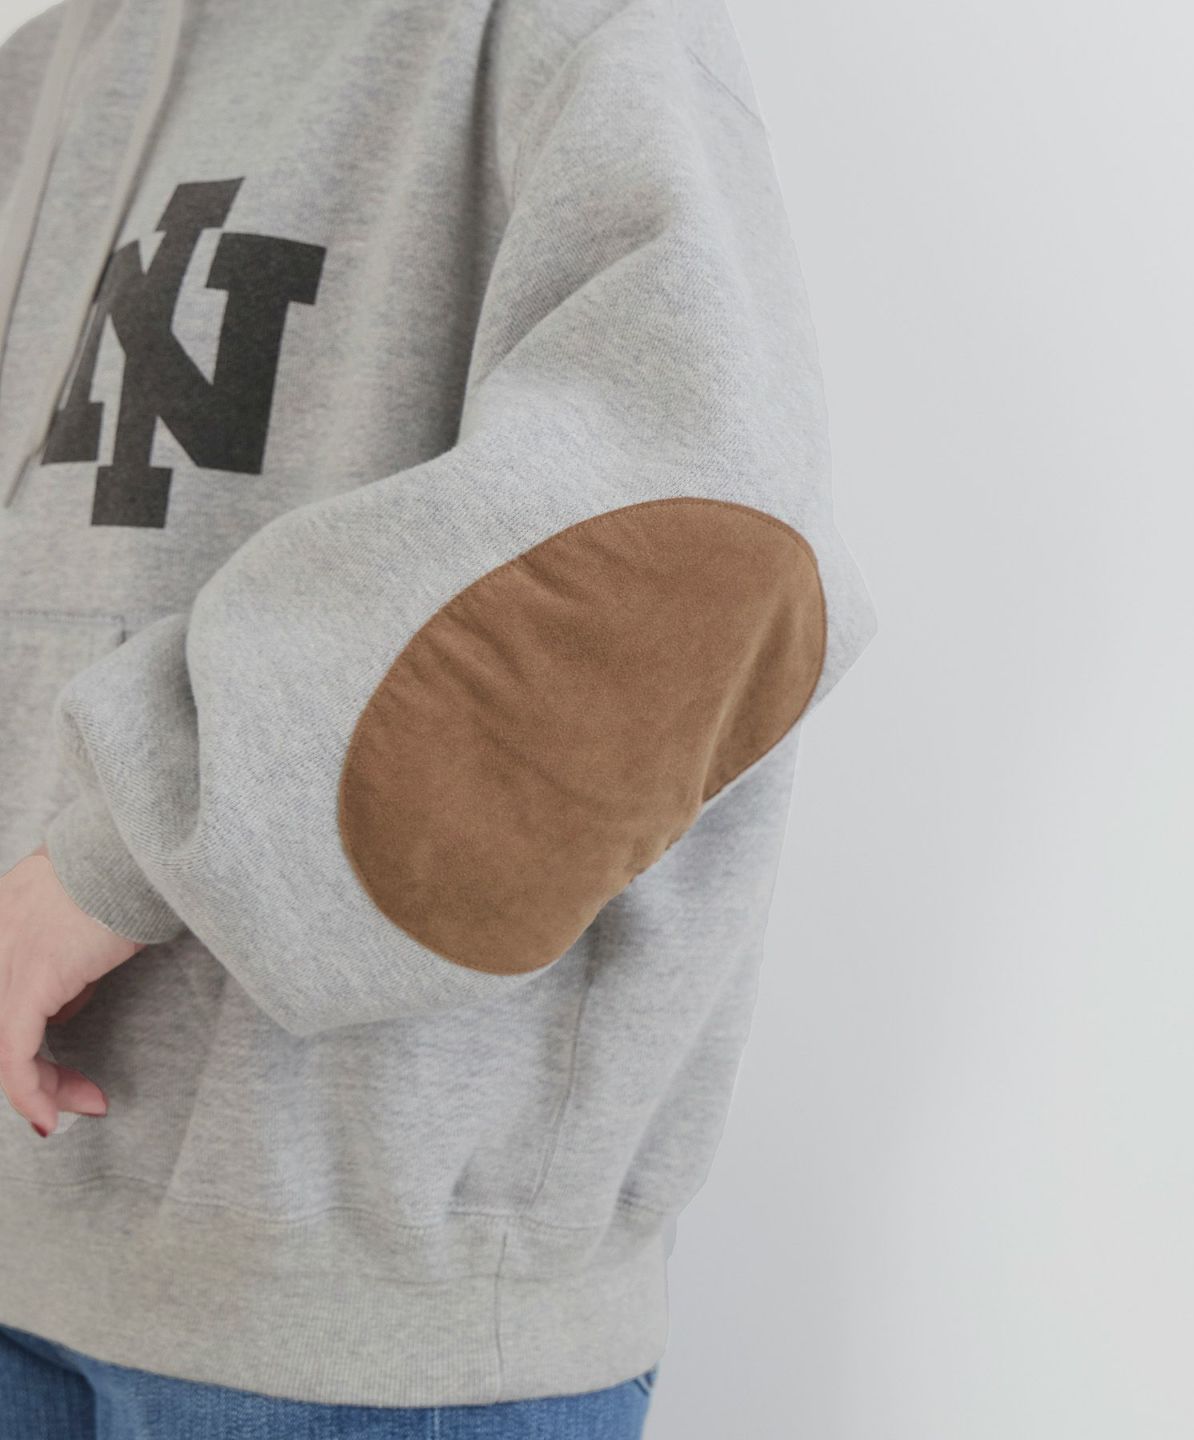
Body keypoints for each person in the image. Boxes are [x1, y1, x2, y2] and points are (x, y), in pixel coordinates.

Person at [0, 0, 878, 1434]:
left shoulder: (567, 27)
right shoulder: (45, 68)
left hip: (355, 1344)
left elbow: (704, 552)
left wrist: (130, 850)